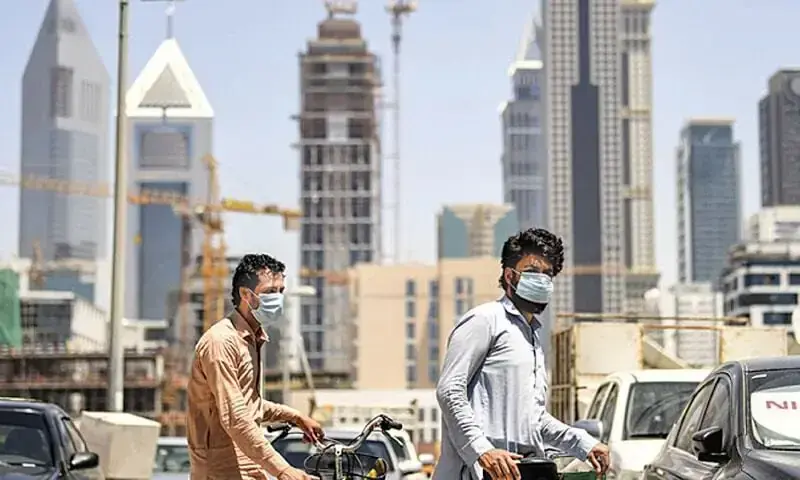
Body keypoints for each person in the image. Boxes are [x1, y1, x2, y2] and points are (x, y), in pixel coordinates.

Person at [433, 229, 610, 480]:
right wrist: (483, 450)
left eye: (548, 273)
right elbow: (449, 390)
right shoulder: (484, 321)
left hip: (521, 472)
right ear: (509, 275)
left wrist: (583, 443)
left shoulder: (531, 337)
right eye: (532, 271)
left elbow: (533, 420)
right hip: (475, 473)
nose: (542, 279)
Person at [187, 254, 323, 480]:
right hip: (222, 471)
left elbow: (251, 406)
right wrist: (285, 471)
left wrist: (296, 417)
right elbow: (236, 417)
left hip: (248, 467)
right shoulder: (221, 342)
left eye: (281, 291)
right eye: (270, 292)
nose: (278, 298)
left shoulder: (252, 339)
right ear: (245, 295)